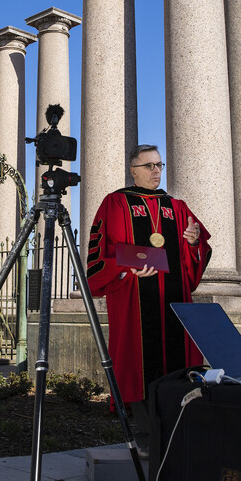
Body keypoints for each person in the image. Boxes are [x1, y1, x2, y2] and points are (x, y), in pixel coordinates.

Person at [87, 144, 211, 445]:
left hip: (173, 302)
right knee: (137, 364)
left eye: (159, 165)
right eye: (149, 166)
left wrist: (194, 241)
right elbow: (100, 253)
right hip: (134, 299)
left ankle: (176, 431)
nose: (156, 171)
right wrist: (125, 269)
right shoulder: (115, 203)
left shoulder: (176, 207)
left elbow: (197, 252)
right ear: (133, 170)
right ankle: (146, 435)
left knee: (177, 366)